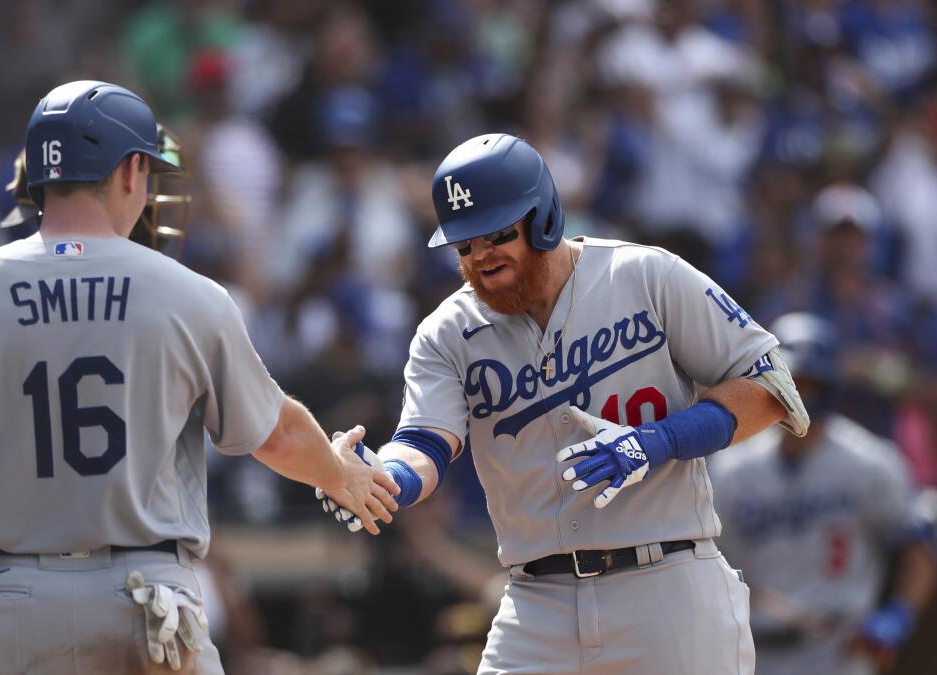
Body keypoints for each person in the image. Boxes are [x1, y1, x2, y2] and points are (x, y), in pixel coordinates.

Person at [0, 80, 397, 675]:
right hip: (146, 597)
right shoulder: (188, 294)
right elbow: (278, 436)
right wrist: (338, 473)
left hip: (9, 601)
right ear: (131, 170)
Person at [319, 133, 811, 674]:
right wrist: (381, 476)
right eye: (464, 244)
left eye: (497, 234)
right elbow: (425, 443)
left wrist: (658, 441)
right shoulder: (448, 333)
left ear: (544, 216)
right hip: (536, 603)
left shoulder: (644, 275)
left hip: (666, 581)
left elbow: (770, 386)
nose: (481, 256)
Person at [711, 313, 936, 675]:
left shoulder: (870, 462)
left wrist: (897, 615)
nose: (802, 395)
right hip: (752, 653)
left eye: (812, 384)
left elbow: (917, 546)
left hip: (837, 653)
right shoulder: (732, 469)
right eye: (794, 383)